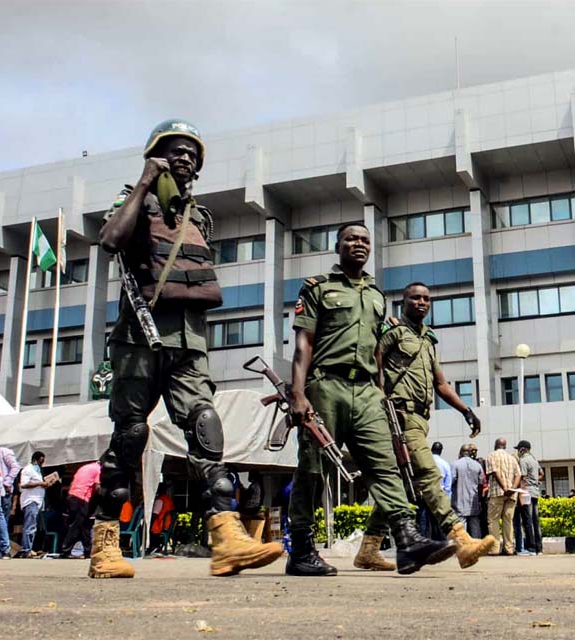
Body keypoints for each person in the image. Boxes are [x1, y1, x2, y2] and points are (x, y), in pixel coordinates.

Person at [95, 119, 282, 579]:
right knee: (130, 435)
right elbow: (110, 241)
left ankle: (226, 539)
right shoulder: (133, 200)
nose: (184, 158)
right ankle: (105, 545)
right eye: (174, 150)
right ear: (154, 155)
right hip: (140, 338)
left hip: (190, 341)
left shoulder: (199, 217)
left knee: (205, 425)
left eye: (191, 154)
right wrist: (144, 182)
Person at [288, 223, 454, 577]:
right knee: (313, 469)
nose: (358, 244)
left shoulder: (377, 295)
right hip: (326, 385)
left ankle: (407, 541)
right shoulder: (318, 287)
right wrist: (298, 393)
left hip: (367, 392)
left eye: (364, 240)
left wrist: (380, 393)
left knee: (386, 465)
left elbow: (377, 353)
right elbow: (304, 343)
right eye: (351, 239)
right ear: (338, 246)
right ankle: (301, 549)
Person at [354, 282, 495, 572]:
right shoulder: (393, 332)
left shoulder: (428, 340)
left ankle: (368, 550)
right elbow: (373, 365)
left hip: (420, 418)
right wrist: (380, 403)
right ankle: (461, 540)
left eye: (426, 299)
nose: (421, 302)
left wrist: (466, 410)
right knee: (429, 475)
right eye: (415, 298)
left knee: (399, 487)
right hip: (399, 416)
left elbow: (440, 383)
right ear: (403, 302)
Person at [485, 438, 521, 555]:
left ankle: (494, 548)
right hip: (511, 494)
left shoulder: (491, 456)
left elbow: (495, 472)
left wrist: (504, 487)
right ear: (505, 446)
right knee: (508, 521)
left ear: (495, 445)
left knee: (493, 520)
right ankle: (509, 548)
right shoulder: (512, 458)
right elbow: (518, 475)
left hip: (497, 492)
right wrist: (512, 488)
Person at [60, 460, 101, 558]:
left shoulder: (84, 467)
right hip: (81, 498)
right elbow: (97, 488)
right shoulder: (98, 469)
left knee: (84, 525)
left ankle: (88, 550)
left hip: (72, 496)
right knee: (77, 525)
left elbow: (72, 483)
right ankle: (66, 550)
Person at [451, 444, 487, 538]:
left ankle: (463, 546)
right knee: (475, 528)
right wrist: (479, 499)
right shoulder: (477, 465)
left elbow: (451, 481)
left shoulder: (455, 464)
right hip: (473, 503)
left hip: (459, 502)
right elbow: (481, 484)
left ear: (460, 452)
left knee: (461, 530)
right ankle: (477, 545)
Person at [18, 451, 49, 559]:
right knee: (30, 526)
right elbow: (24, 484)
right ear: (35, 460)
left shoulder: (38, 471)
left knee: (37, 527)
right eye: (41, 461)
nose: (42, 463)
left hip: (38, 502)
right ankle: (26, 549)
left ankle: (33, 548)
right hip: (31, 501)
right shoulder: (28, 470)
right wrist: (40, 483)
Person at [515, 440, 543, 555]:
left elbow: (522, 477)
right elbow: (541, 474)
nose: (518, 451)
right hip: (535, 492)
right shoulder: (534, 460)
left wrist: (520, 493)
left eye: (518, 449)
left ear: (523, 449)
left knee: (528, 520)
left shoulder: (523, 460)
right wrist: (535, 480)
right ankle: (539, 547)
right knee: (535, 521)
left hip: (527, 492)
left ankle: (531, 547)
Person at [146, 482, 175, 554]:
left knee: (146, 527)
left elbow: (155, 514)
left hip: (160, 524)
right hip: (168, 524)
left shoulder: (160, 500)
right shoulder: (168, 499)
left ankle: (153, 545)